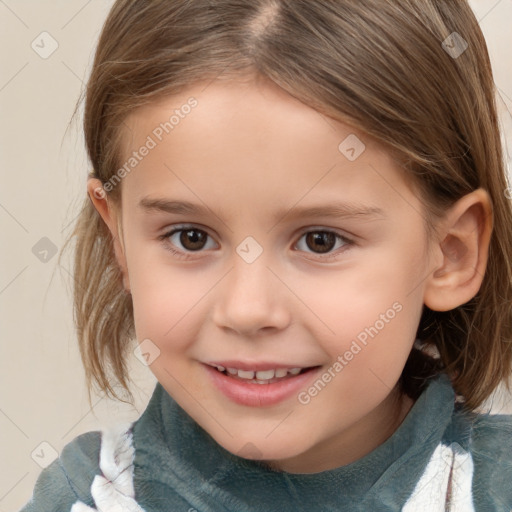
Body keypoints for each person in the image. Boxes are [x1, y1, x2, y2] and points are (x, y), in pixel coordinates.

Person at [21, 0, 512, 510]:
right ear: (116, 240)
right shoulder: (88, 499)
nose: (247, 310)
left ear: (450, 254)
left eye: (321, 240)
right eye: (190, 237)